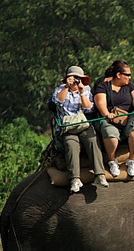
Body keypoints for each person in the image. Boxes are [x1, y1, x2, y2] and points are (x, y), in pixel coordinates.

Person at [51, 65, 109, 193]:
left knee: (92, 140)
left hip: (83, 124)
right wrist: (67, 87)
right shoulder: (60, 89)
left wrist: (81, 92)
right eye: (74, 78)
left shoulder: (86, 89)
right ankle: (74, 179)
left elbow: (89, 108)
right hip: (67, 127)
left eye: (79, 78)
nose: (76, 81)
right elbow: (57, 101)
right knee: (71, 145)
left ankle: (100, 174)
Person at [94, 61, 134, 177]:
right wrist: (106, 113)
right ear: (118, 75)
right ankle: (112, 161)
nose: (129, 77)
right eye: (127, 75)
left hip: (128, 117)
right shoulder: (103, 86)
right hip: (109, 119)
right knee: (111, 134)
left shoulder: (130, 85)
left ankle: (132, 160)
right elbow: (100, 102)